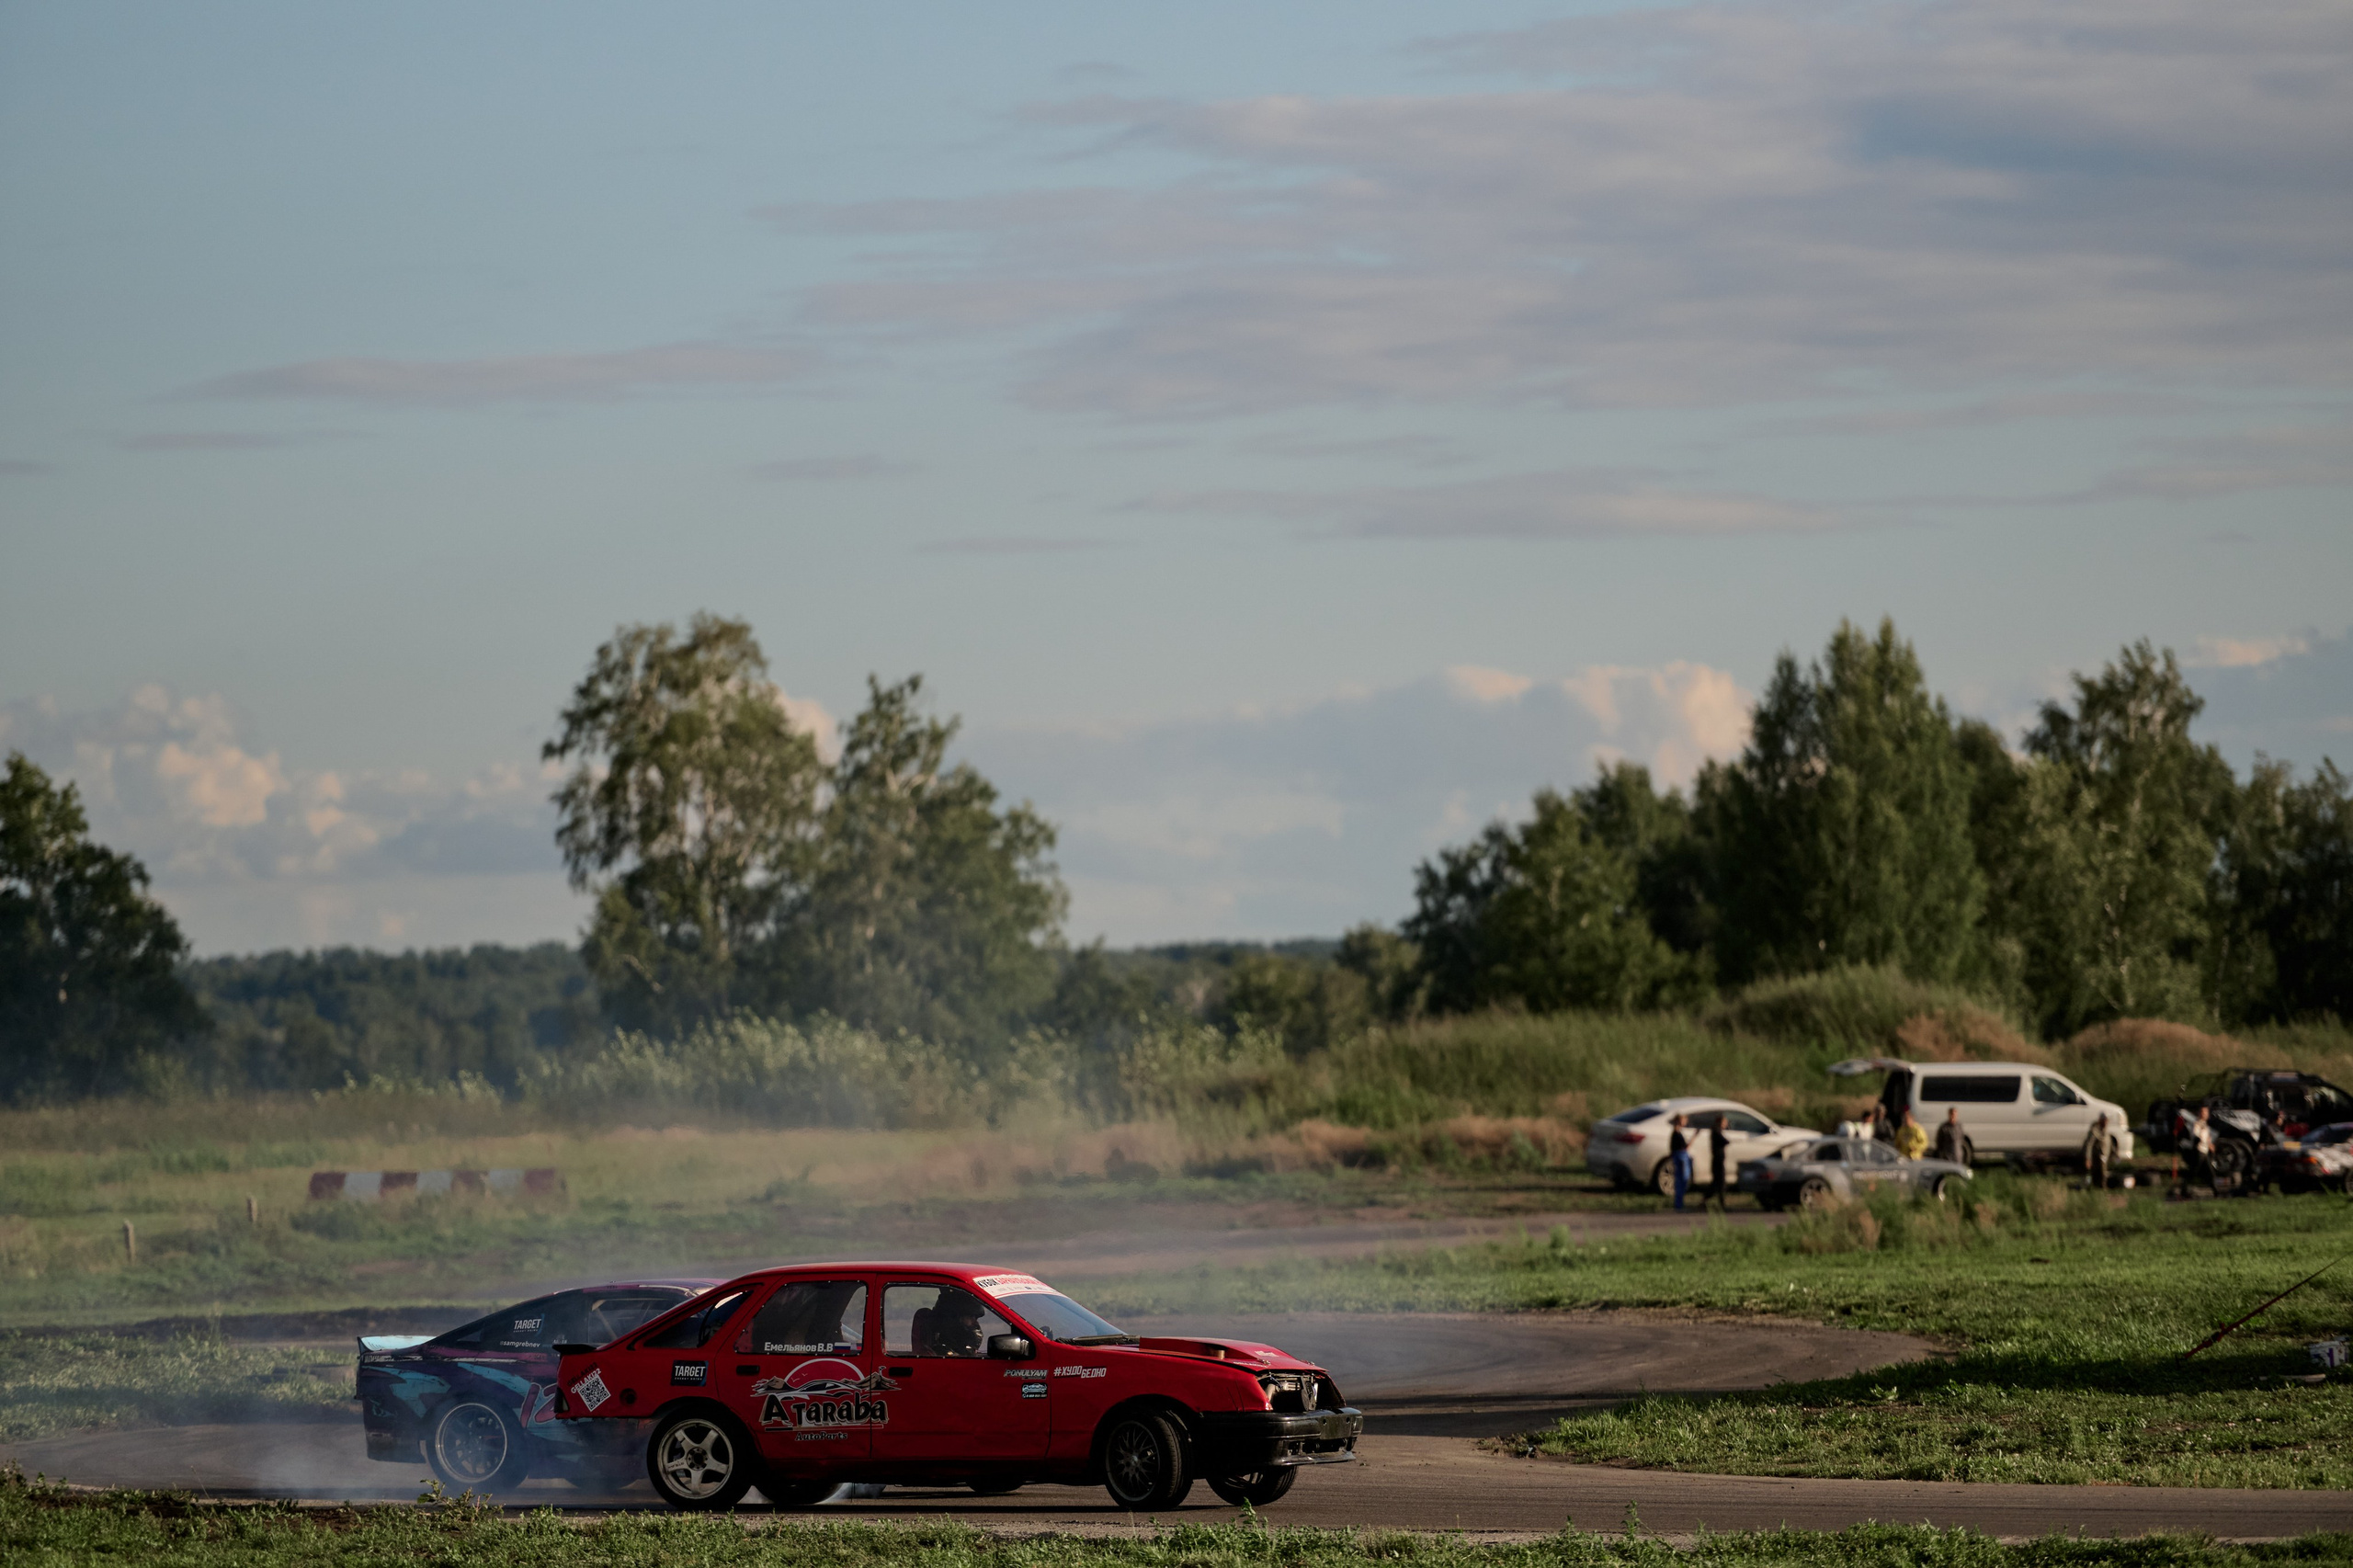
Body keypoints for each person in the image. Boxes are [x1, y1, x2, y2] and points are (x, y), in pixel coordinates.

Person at [1667, 1113, 1693, 1211]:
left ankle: (1679, 1203)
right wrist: (1695, 1136)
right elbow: (1684, 1147)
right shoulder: (1676, 1134)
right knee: (1682, 1180)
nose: (1686, 1122)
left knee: (1681, 1180)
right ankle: (1679, 1204)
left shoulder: (1677, 1133)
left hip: (1679, 1157)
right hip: (1681, 1157)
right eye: (1684, 1120)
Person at [1707, 1117, 1732, 1210]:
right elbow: (1723, 1141)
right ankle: (1721, 1203)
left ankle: (1707, 1199)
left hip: (1719, 1160)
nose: (1726, 1124)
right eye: (1724, 1122)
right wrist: (1728, 1141)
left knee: (1717, 1182)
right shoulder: (1716, 1132)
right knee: (1720, 1182)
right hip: (1718, 1161)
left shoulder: (1717, 1131)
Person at [2084, 1113, 2112, 1188]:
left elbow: (2109, 1144)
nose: (2106, 1122)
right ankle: (2093, 1186)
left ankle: (2102, 1186)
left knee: (2104, 1172)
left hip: (2105, 1156)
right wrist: (2088, 1158)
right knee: (2093, 1173)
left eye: (2106, 1121)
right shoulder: (2094, 1131)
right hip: (2097, 1156)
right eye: (2104, 1120)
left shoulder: (2106, 1131)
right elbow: (2089, 1145)